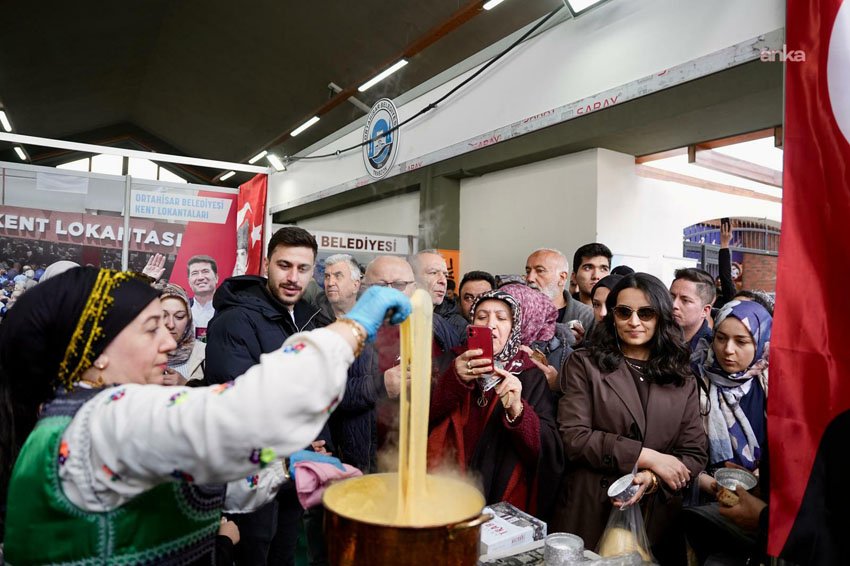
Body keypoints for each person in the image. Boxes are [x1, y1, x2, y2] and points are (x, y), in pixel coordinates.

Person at [0, 266, 412, 563]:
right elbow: (245, 414)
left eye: (169, 324)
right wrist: (351, 330)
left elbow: (181, 471)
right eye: (150, 329)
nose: (170, 340)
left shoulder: (80, 414)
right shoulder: (103, 419)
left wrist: (283, 469)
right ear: (98, 351)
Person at [552, 273, 707, 563]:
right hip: (591, 507)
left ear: (661, 315)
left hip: (656, 516)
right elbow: (574, 437)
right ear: (612, 316)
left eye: (646, 313)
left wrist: (651, 478)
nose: (634, 322)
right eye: (624, 312)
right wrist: (647, 456)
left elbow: (694, 453)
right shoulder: (585, 364)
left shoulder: (681, 376)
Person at [206, 227, 329, 565]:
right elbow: (241, 403)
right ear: (266, 264)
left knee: (284, 554)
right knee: (253, 554)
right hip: (251, 475)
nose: (293, 277)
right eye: (284, 265)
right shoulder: (235, 320)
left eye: (303, 269)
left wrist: (319, 440)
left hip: (292, 473)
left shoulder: (307, 318)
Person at [427, 289, 564, 520]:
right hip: (447, 484)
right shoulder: (450, 360)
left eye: (501, 318)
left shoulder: (529, 374)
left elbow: (548, 449)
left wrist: (517, 411)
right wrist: (454, 379)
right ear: (471, 323)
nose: (490, 325)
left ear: (514, 327)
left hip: (500, 492)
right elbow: (420, 419)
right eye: (482, 317)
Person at [684, 300, 772, 565]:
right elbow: (677, 449)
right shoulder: (692, 381)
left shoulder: (771, 384)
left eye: (741, 341)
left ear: (761, 341)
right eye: (721, 338)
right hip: (701, 505)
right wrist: (713, 486)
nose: (727, 350)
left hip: (758, 509)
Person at [500, 283, 572, 393]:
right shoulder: (494, 348)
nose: (494, 324)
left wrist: (557, 383)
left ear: (530, 314)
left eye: (501, 317)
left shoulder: (565, 356)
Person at [524, 248, 594, 343]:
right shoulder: (517, 312)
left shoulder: (586, 316)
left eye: (540, 271)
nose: (530, 278)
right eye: (528, 271)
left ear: (562, 278)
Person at [158, 283, 207, 385]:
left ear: (189, 319)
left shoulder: (205, 354)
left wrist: (186, 385)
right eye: (163, 315)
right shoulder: (138, 355)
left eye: (179, 316)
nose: (171, 325)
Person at [414, 249, 467, 341]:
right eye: (433, 273)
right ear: (412, 277)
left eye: (445, 275)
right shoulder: (396, 315)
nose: (443, 281)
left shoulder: (459, 325)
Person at [670, 267, 716, 351]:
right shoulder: (655, 338)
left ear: (705, 310)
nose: (674, 305)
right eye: (671, 297)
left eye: (685, 300)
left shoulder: (712, 351)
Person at [318, 253, 362, 320]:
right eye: (327, 276)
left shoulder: (372, 319)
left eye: (338, 276)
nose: (330, 283)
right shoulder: (311, 318)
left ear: (355, 285)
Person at [187, 254, 219, 337]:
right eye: (195, 273)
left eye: (205, 271)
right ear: (189, 281)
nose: (200, 277)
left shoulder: (228, 310)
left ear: (216, 277)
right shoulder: (181, 308)